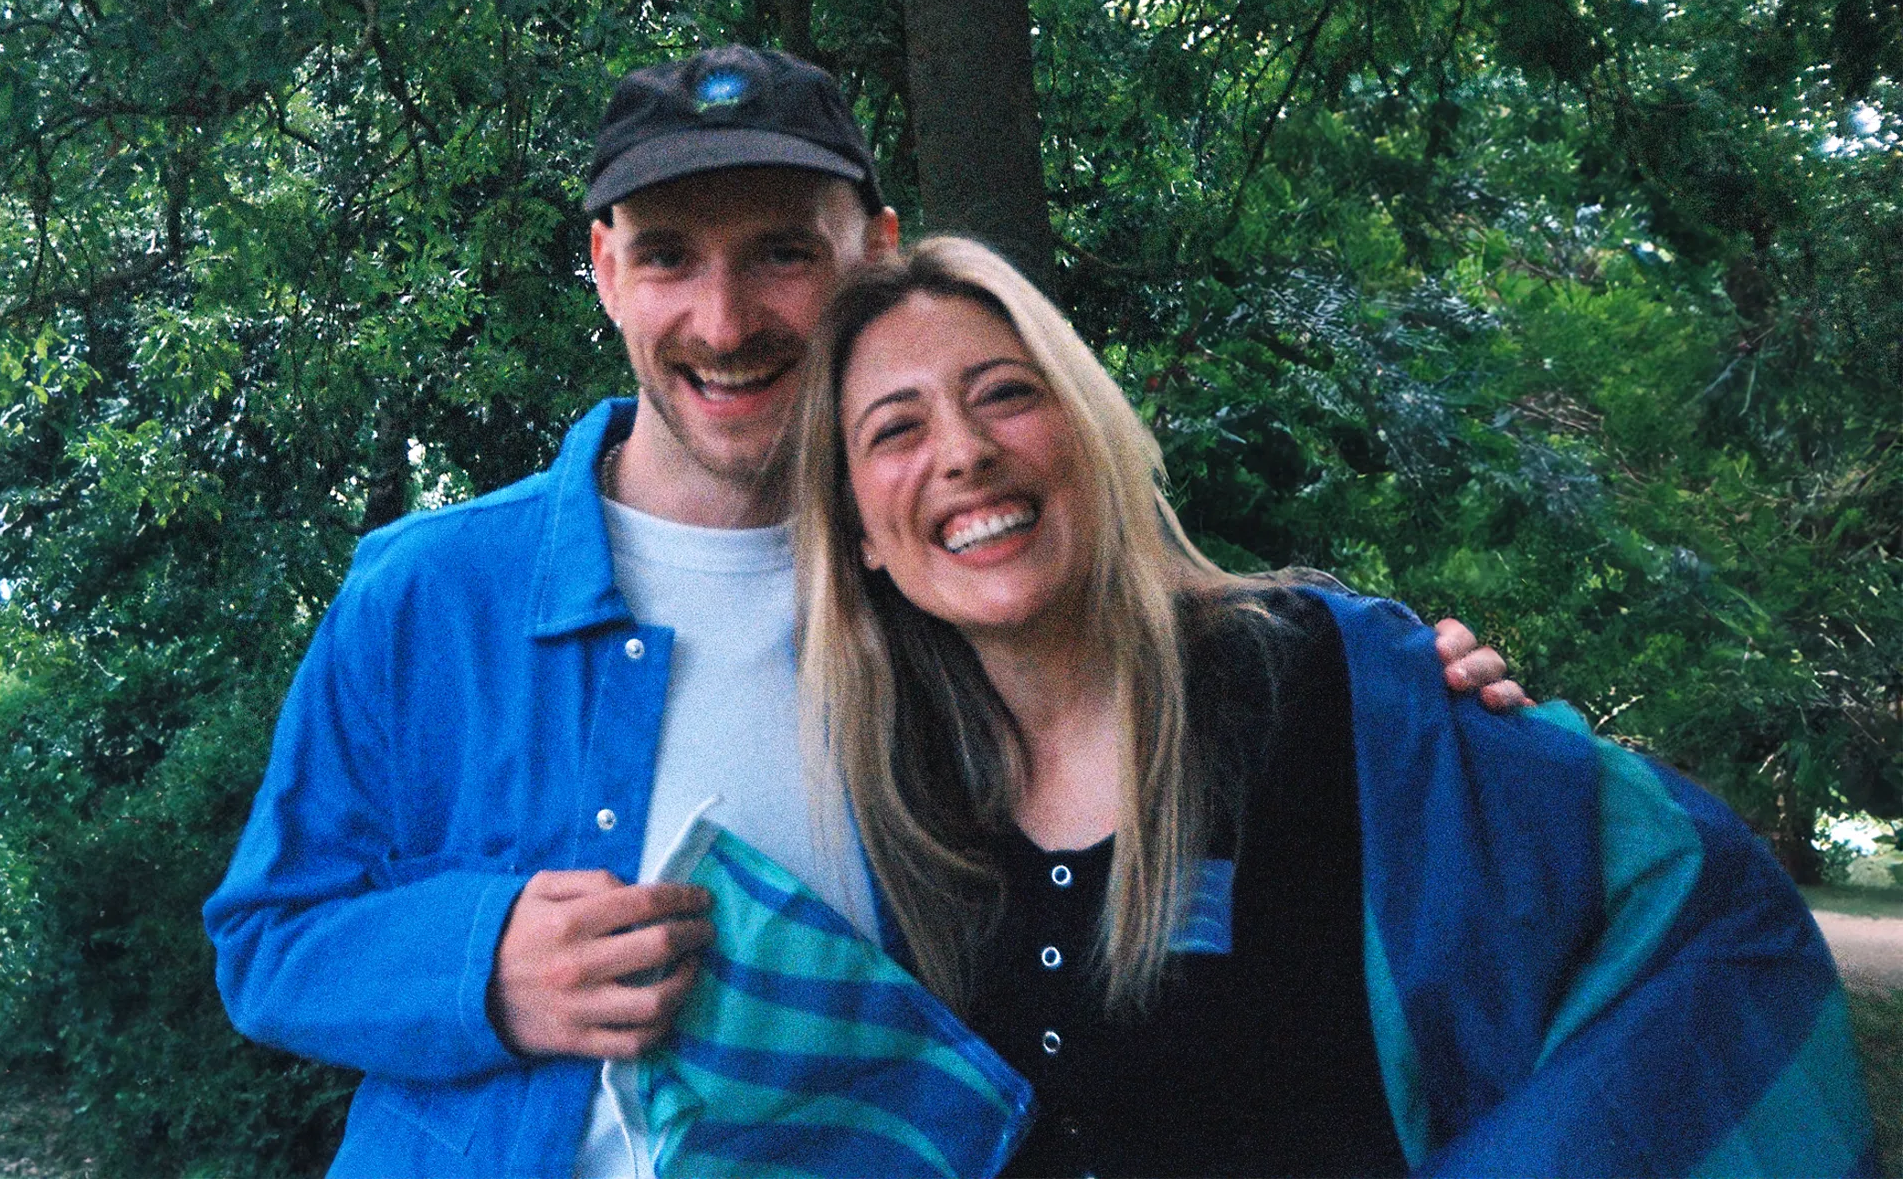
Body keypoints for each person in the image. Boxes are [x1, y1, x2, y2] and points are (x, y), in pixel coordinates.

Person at [203, 46, 1522, 1178]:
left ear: (872, 252)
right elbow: (266, 938)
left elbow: (1193, 699)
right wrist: (479, 964)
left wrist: (1409, 707)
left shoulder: (960, 577)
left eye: (782, 250)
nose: (722, 319)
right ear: (604, 269)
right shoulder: (426, 595)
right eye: (668, 256)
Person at [790, 236, 1876, 1178]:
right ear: (864, 539)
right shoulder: (901, 810)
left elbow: (1708, 919)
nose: (966, 452)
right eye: (896, 430)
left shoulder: (1330, 685)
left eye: (1007, 394)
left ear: (1088, 431)